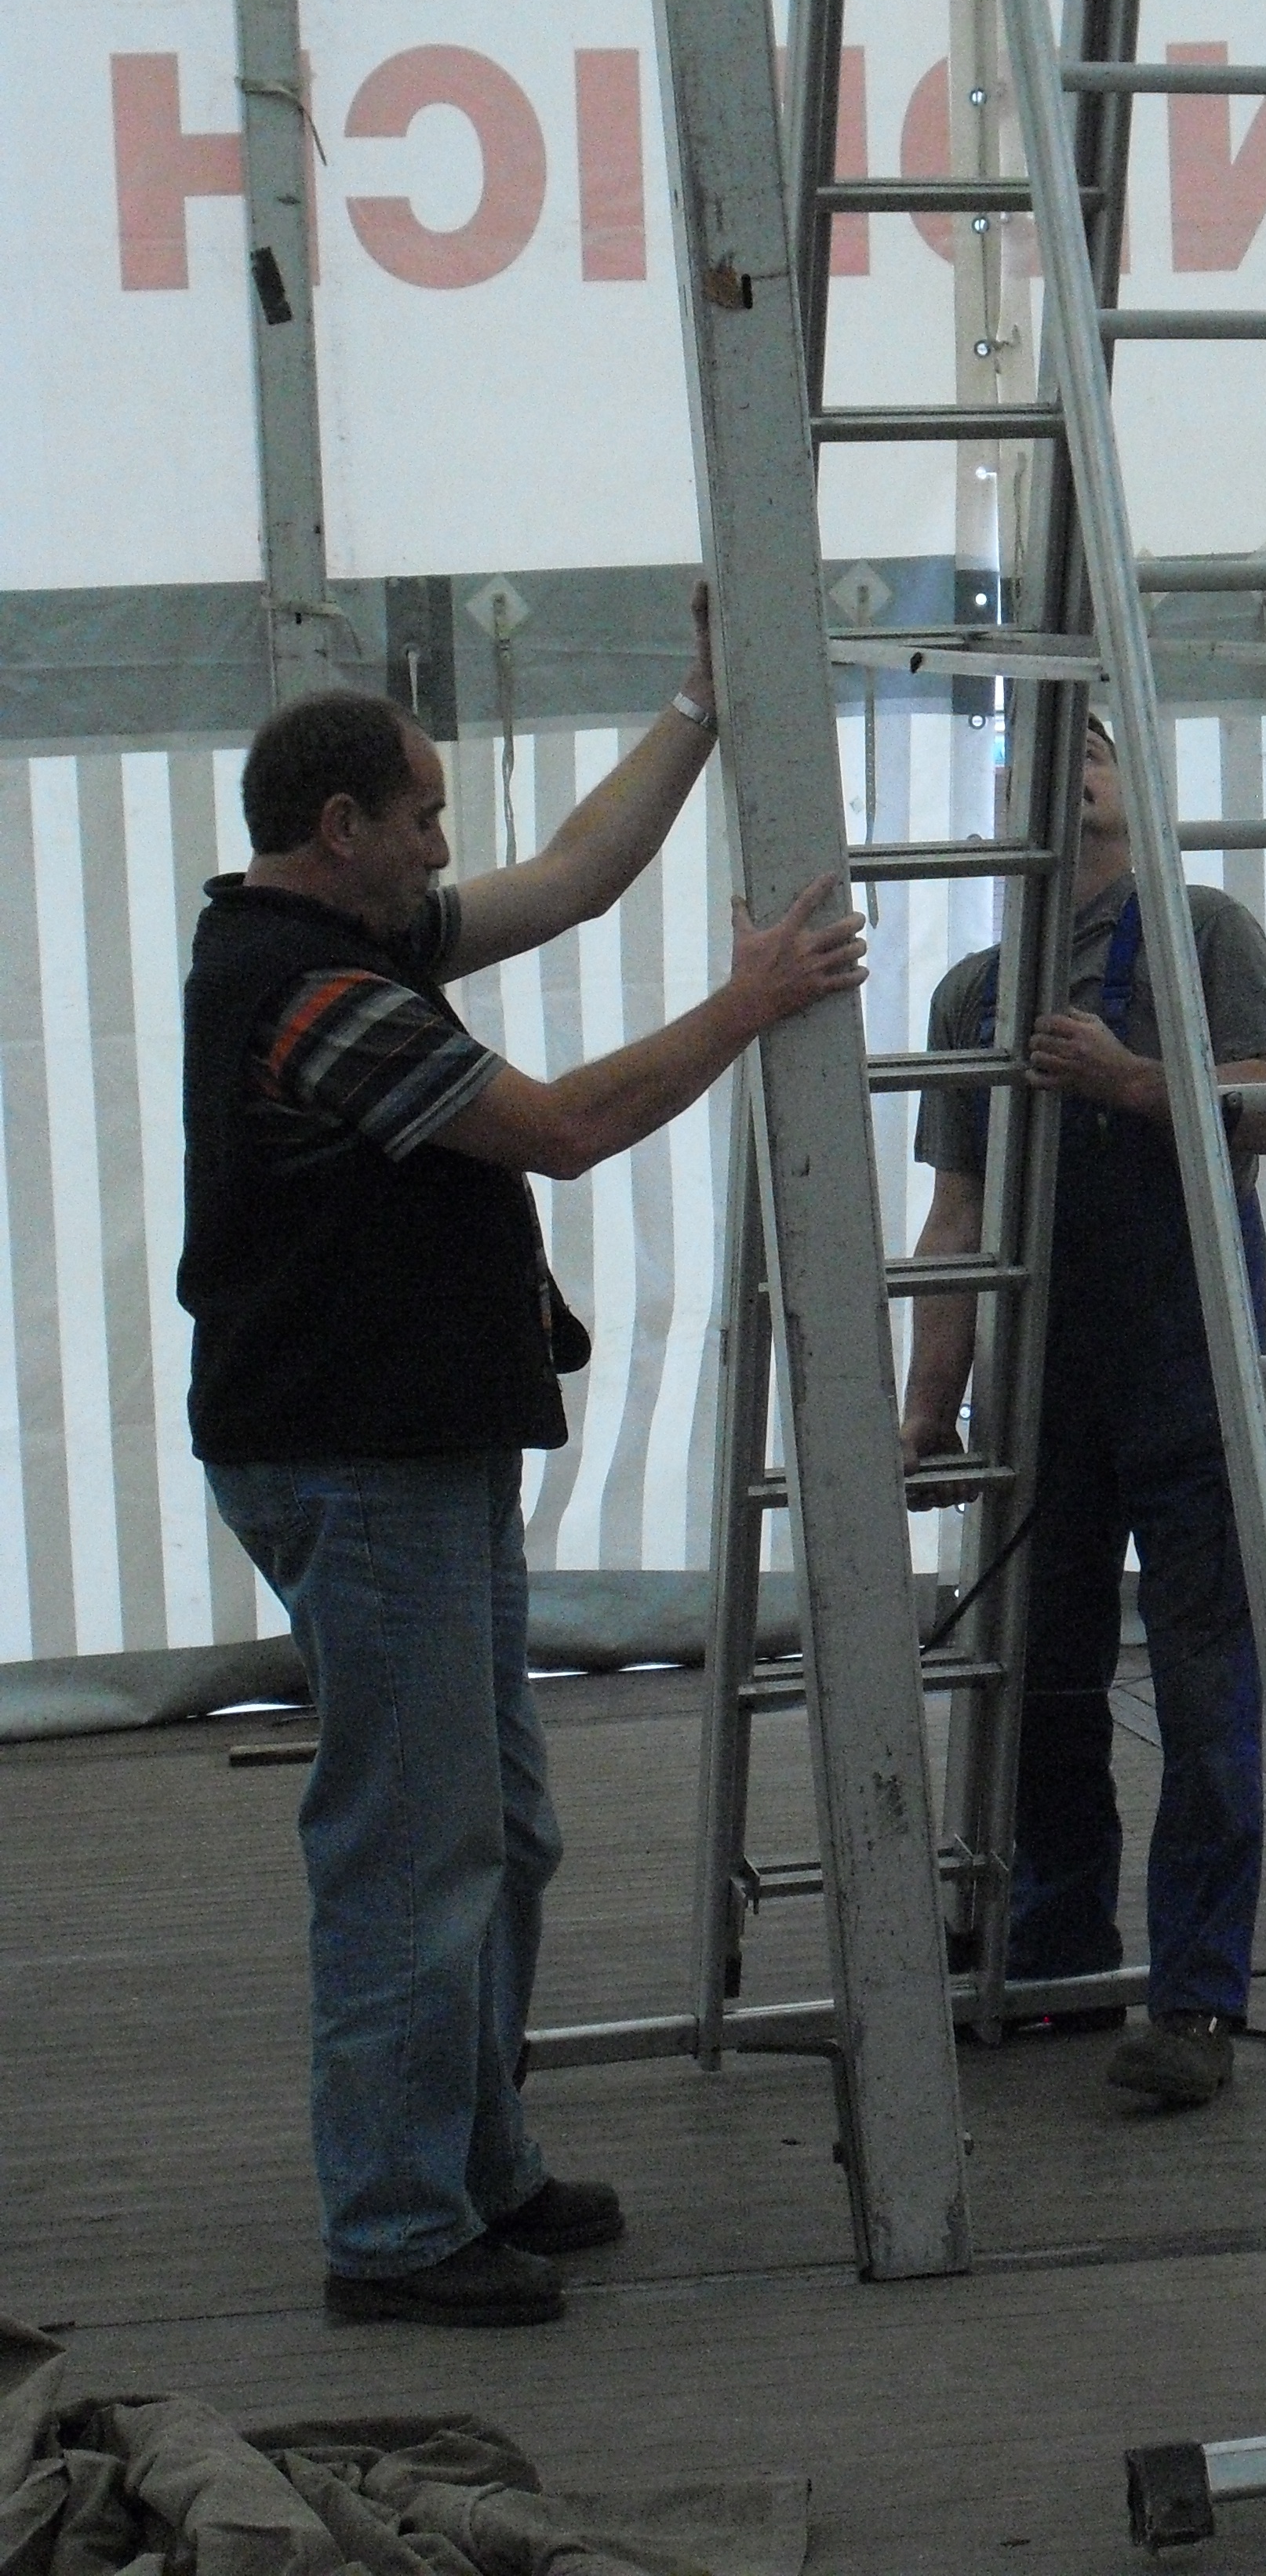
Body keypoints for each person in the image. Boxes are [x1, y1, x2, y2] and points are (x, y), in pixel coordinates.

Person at [179, 589, 865, 2327]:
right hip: (361, 1460)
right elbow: (560, 1129)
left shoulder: (334, 938)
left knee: (496, 1835)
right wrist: (749, 1004)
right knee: (418, 1854)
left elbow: (572, 879)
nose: (444, 845)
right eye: (422, 817)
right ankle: (398, 2230)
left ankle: (475, 2167)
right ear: (342, 827)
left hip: (409, 1450)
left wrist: (700, 704)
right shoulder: (314, 995)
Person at [902, 714, 1266, 2107]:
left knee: (1207, 1690)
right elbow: (959, 1212)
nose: (1061, 765)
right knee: (1043, 1683)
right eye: (1037, 751)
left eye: (1089, 746)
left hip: (1188, 1371)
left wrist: (1134, 1082)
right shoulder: (972, 994)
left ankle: (1197, 2000)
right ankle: (1057, 1964)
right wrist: (927, 1409)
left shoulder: (1202, 932)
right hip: (1042, 1389)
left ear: (1136, 785)